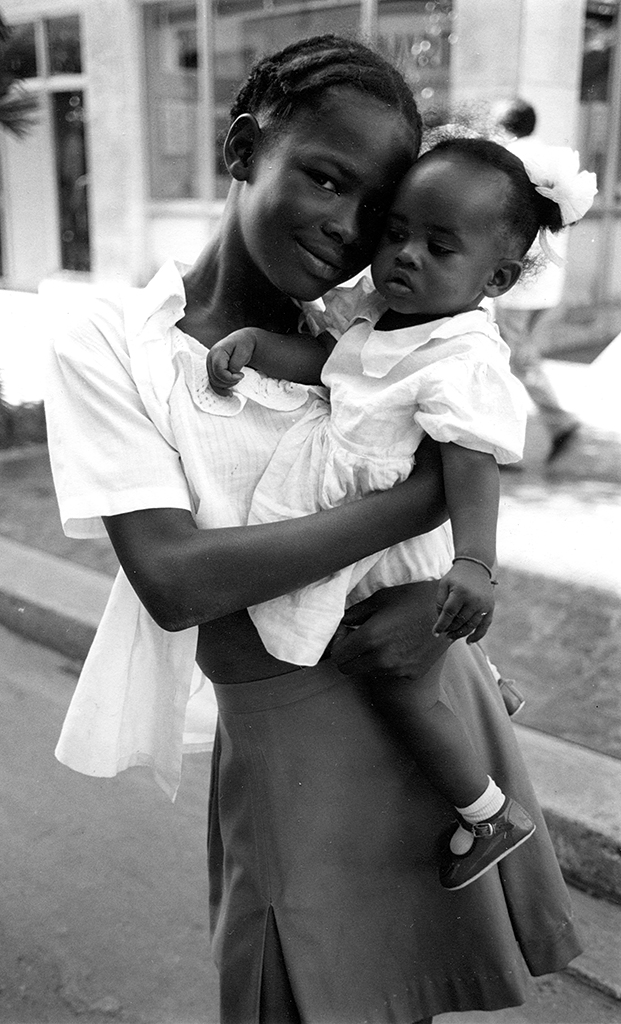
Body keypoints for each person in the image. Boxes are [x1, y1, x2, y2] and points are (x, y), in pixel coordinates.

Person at [45, 36, 582, 1024]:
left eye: (373, 211)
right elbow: (177, 579)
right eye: (325, 178)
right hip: (287, 741)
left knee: (406, 993)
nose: (350, 230)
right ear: (246, 146)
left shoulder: (378, 326)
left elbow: (465, 457)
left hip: (422, 698)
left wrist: (445, 589)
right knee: (289, 989)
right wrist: (418, 501)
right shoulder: (111, 342)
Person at [206, 135, 597, 892]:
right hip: (356, 526)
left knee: (398, 686)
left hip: (394, 546)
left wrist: (475, 563)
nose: (406, 255)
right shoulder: (381, 317)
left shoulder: (463, 355)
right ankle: (480, 679)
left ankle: (487, 812)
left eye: (438, 246)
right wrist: (255, 346)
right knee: (378, 649)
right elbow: (328, 371)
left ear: (498, 276)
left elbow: (471, 468)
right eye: (397, 233)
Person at [494, 98, 597, 466]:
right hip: (545, 283)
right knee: (513, 359)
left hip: (515, 285)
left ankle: (557, 423)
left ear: (504, 125)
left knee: (513, 361)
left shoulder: (507, 160)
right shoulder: (554, 160)